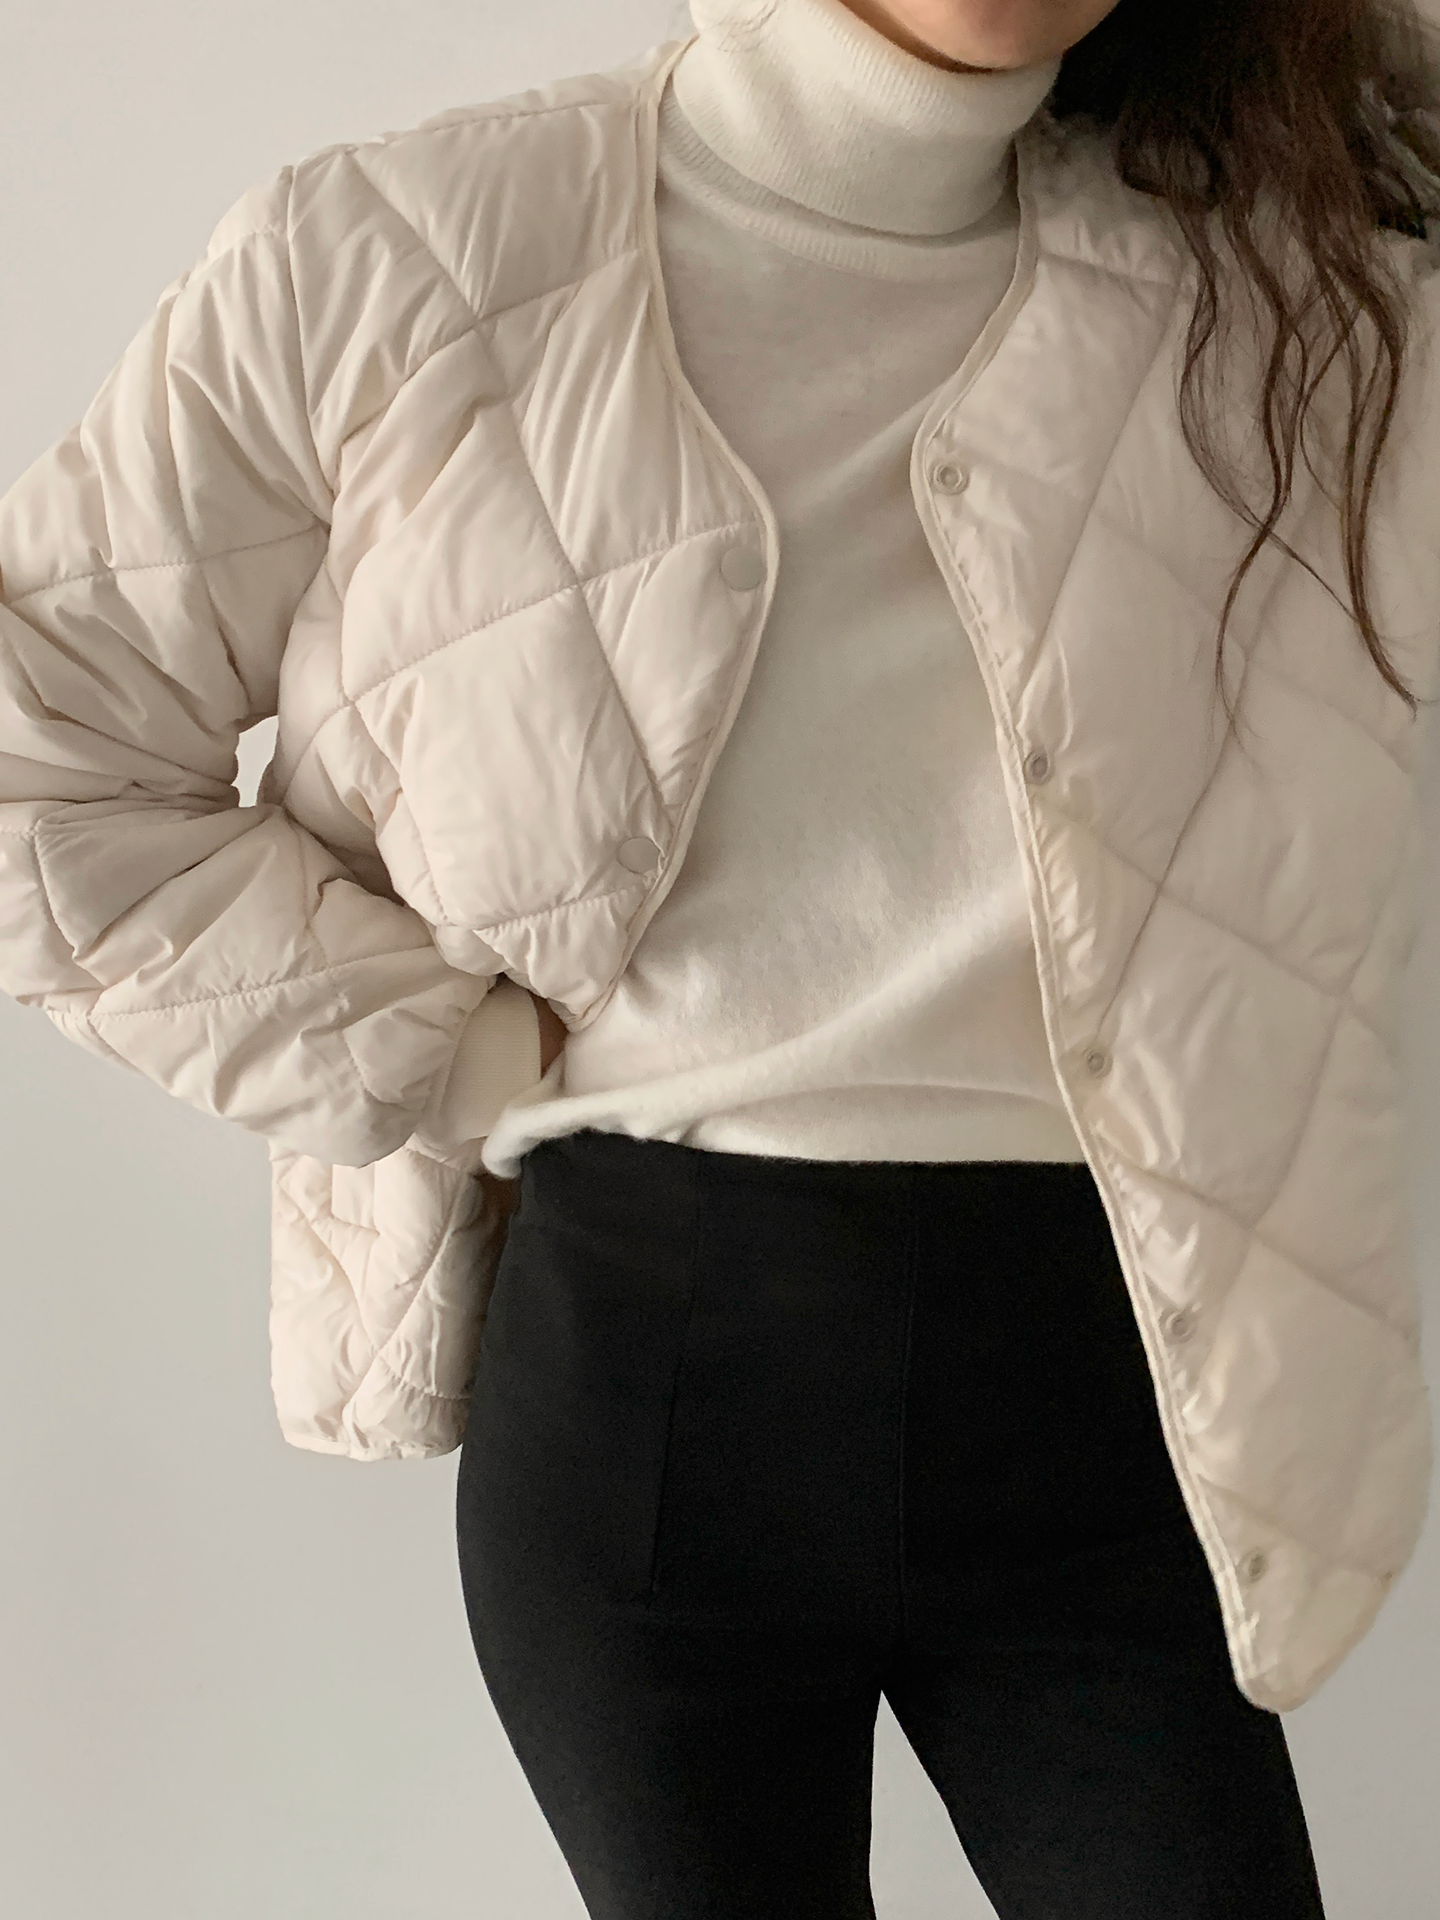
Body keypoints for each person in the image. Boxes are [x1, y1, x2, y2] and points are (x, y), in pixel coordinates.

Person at [2, 1, 1439, 1915]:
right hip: (655, 1394)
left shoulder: (1320, 282)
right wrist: (433, 1052)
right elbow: (37, 753)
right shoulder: (396, 252)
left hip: (1132, 1402)